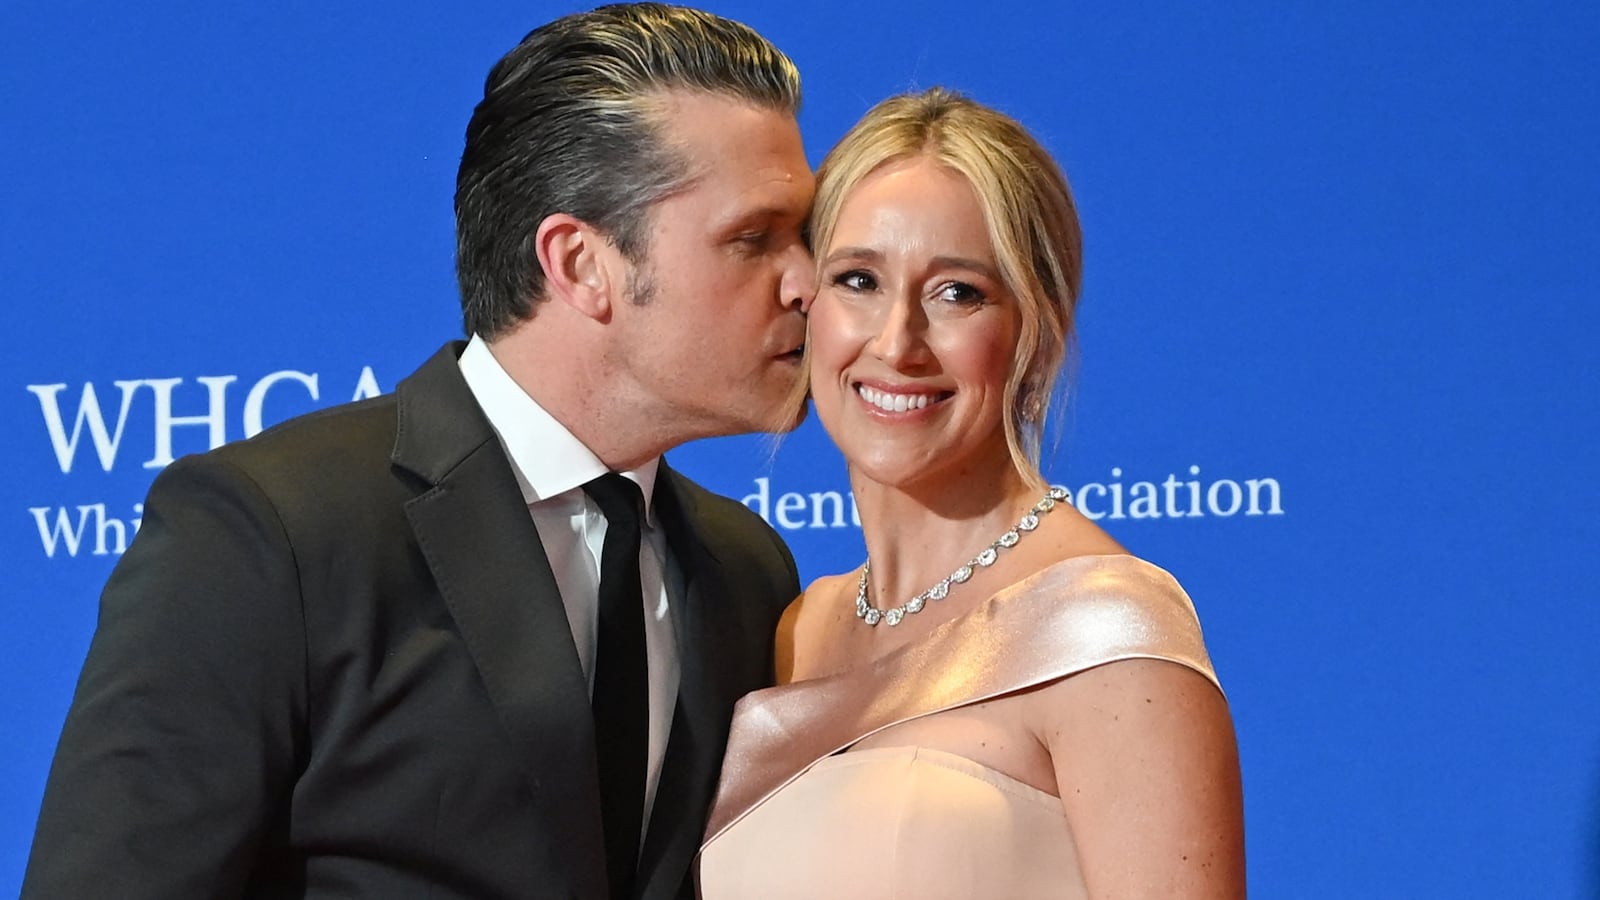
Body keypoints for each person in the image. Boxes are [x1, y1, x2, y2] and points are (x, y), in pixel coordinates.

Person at [23, 5, 815, 899]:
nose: (809, 281)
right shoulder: (271, 535)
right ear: (582, 263)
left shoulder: (748, 569)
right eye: (755, 239)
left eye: (807, 236)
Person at [698, 88, 1246, 898]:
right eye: (858, 280)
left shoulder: (1110, 635)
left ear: (1039, 331)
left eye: (957, 293)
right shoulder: (793, 630)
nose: (896, 343)